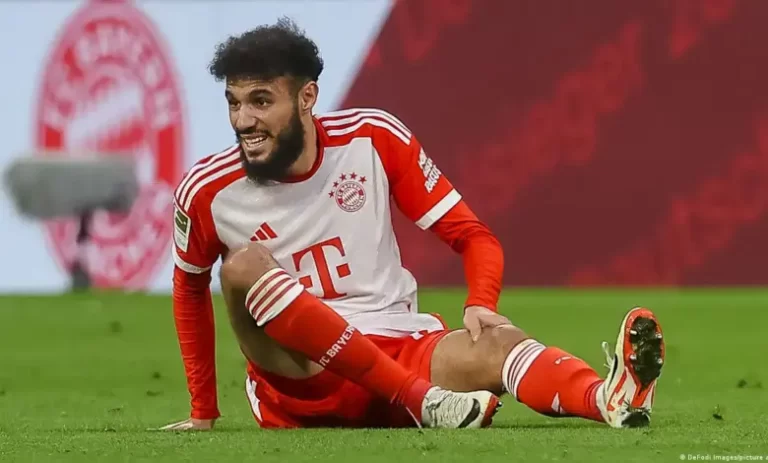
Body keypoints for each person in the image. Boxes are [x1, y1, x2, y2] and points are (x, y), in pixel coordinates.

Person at [160, 18, 665, 431]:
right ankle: (421, 401)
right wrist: (203, 411)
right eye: (234, 102)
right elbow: (188, 288)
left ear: (307, 98)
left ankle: (610, 400)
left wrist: (481, 303)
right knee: (243, 266)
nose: (243, 121)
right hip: (300, 378)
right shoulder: (208, 189)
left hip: (397, 344)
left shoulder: (372, 139)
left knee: (500, 343)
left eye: (261, 101)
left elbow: (473, 236)